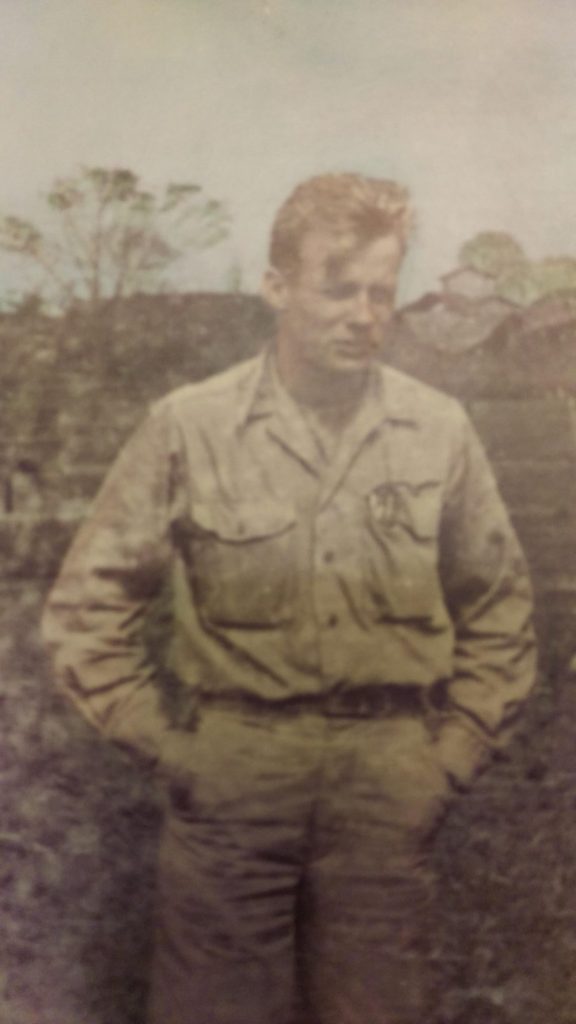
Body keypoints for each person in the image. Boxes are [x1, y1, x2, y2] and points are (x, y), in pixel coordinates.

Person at [42, 173, 537, 1024]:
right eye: (338, 289)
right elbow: (87, 612)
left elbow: (499, 607)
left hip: (387, 778)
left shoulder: (438, 430)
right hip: (236, 772)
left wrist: (451, 754)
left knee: (379, 1008)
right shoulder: (190, 426)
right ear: (276, 287)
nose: (364, 315)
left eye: (381, 292)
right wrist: (170, 751)